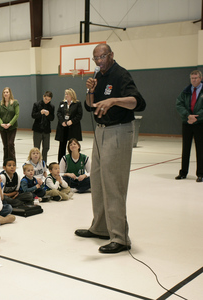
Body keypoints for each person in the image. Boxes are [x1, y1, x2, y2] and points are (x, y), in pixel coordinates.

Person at [76, 43, 146, 254]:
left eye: (103, 56)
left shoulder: (122, 75)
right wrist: (90, 90)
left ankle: (120, 237)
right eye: (96, 58)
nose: (99, 61)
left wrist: (114, 100)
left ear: (111, 55)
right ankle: (100, 228)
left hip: (119, 131)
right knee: (97, 180)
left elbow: (138, 102)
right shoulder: (98, 77)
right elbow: (90, 105)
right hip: (101, 131)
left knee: (113, 183)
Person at [175, 70, 203, 182]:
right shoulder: (186, 91)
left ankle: (200, 174)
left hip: (200, 123)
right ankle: (183, 172)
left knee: (200, 149)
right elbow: (179, 104)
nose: (194, 80)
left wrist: (196, 117)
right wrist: (188, 116)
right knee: (185, 148)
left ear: (200, 78)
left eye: (196, 78)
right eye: (192, 78)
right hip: (187, 123)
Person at [55, 88, 83, 162]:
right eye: (65, 94)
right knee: (62, 145)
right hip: (63, 127)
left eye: (67, 94)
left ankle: (74, 160)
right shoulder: (62, 103)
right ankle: (61, 161)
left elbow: (79, 115)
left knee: (73, 144)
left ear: (72, 95)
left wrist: (72, 121)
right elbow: (59, 113)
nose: (66, 96)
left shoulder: (77, 103)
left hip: (73, 127)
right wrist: (62, 122)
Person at [0, 87, 20, 162]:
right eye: (4, 92)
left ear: (10, 93)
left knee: (10, 144)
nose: (5, 94)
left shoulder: (15, 103)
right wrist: (1, 123)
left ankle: (12, 161)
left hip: (12, 127)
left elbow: (16, 114)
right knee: (5, 145)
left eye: (7, 92)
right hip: (2, 128)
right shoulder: (0, 104)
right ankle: (5, 162)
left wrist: (10, 124)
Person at [31, 91, 55, 161]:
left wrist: (48, 115)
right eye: (46, 99)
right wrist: (40, 113)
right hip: (37, 129)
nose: (47, 101)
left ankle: (44, 162)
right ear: (43, 96)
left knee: (46, 147)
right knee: (36, 148)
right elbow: (33, 115)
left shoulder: (51, 106)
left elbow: (52, 118)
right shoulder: (36, 104)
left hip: (46, 130)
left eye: (49, 100)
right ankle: (36, 162)